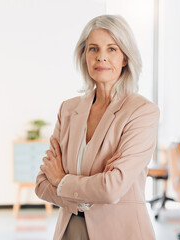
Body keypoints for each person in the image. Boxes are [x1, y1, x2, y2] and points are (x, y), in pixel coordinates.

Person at [35, 14, 159, 240]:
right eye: (93, 49)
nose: (101, 57)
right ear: (84, 56)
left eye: (112, 49)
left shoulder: (141, 112)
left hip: (121, 232)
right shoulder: (68, 110)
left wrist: (62, 180)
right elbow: (42, 183)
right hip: (70, 230)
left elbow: (112, 188)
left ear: (125, 58)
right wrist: (88, 190)